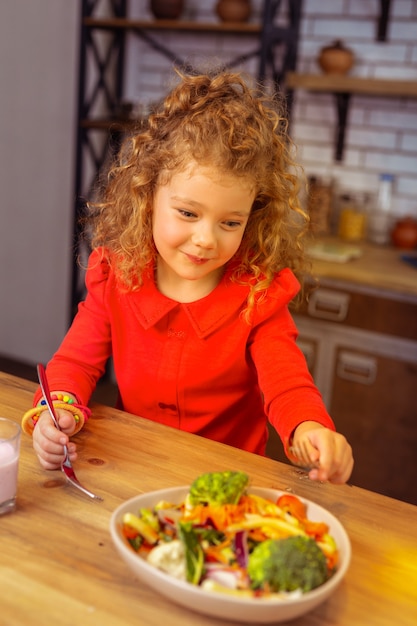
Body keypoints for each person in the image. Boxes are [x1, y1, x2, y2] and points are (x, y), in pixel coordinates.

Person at [22, 69, 353, 484]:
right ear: (148, 197)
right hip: (135, 469)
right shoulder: (118, 275)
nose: (205, 240)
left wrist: (310, 429)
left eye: (230, 223)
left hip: (227, 483)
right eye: (188, 213)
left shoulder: (258, 298)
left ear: (252, 218)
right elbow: (75, 363)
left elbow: (287, 385)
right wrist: (60, 411)